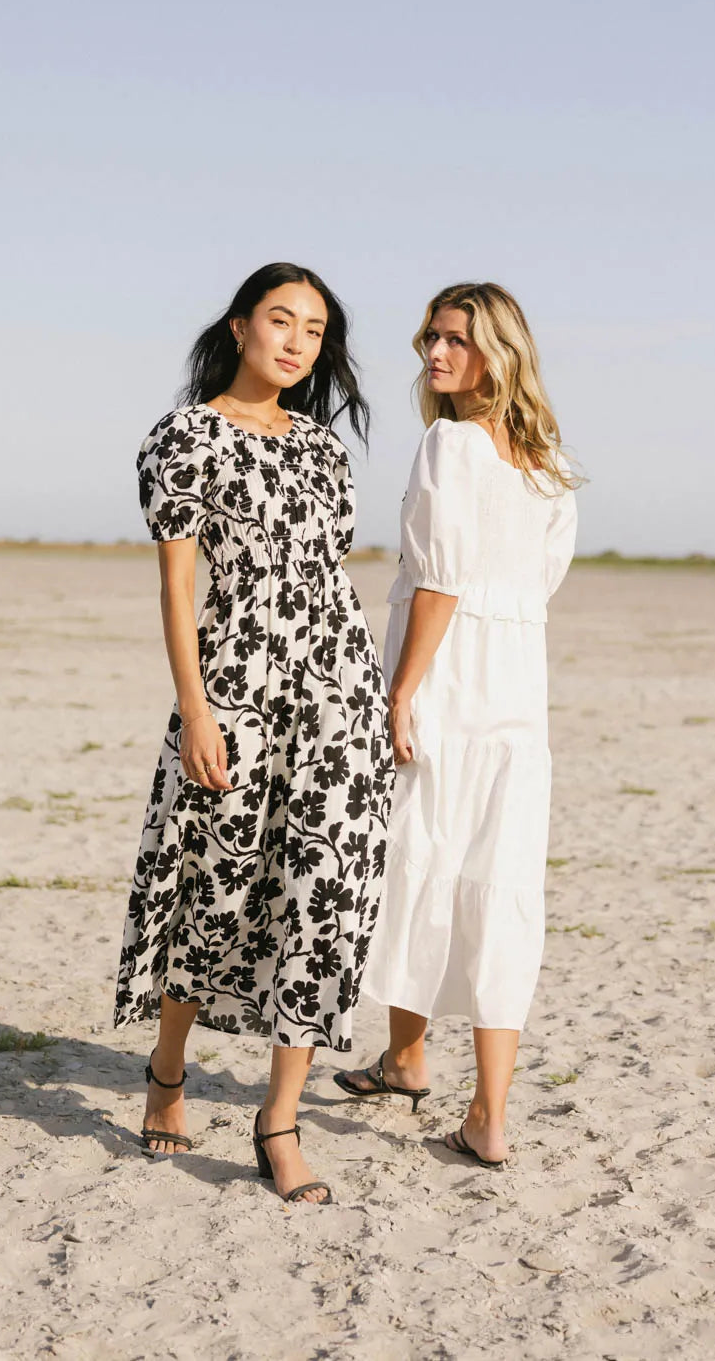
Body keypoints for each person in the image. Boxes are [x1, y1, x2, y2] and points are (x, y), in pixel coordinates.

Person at [115, 262, 394, 1205]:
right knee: (216, 886)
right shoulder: (184, 437)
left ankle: (279, 1119)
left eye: (315, 330)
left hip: (338, 692)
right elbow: (178, 588)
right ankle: (167, 1067)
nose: (297, 342)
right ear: (239, 326)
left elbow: (326, 577)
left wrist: (370, 700)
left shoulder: (322, 448)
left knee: (324, 895)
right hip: (236, 687)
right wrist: (195, 708)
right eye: (282, 320)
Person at [334, 282, 579, 1168]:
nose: (435, 354)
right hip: (517, 691)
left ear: (497, 354)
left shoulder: (451, 442)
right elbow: (539, 582)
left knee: (419, 859)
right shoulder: (548, 464)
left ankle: (410, 1057)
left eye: (456, 340)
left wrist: (401, 690)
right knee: (498, 882)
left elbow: (439, 580)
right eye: (430, 338)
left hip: (447, 679)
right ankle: (481, 1109)